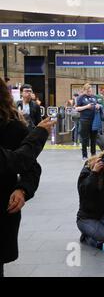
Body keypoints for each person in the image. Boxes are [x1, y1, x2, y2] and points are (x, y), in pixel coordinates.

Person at [0, 78, 54, 277]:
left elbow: (30, 167)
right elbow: (15, 160)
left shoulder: (12, 127)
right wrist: (39, 134)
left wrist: (23, 189)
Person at [75, 83, 102, 160]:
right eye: (88, 91)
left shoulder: (94, 97)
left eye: (90, 91)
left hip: (94, 120)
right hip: (84, 120)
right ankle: (84, 155)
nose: (90, 93)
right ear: (84, 90)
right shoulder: (81, 98)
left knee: (93, 138)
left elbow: (99, 105)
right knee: (85, 138)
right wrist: (86, 106)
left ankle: (93, 154)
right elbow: (76, 108)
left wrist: (98, 106)